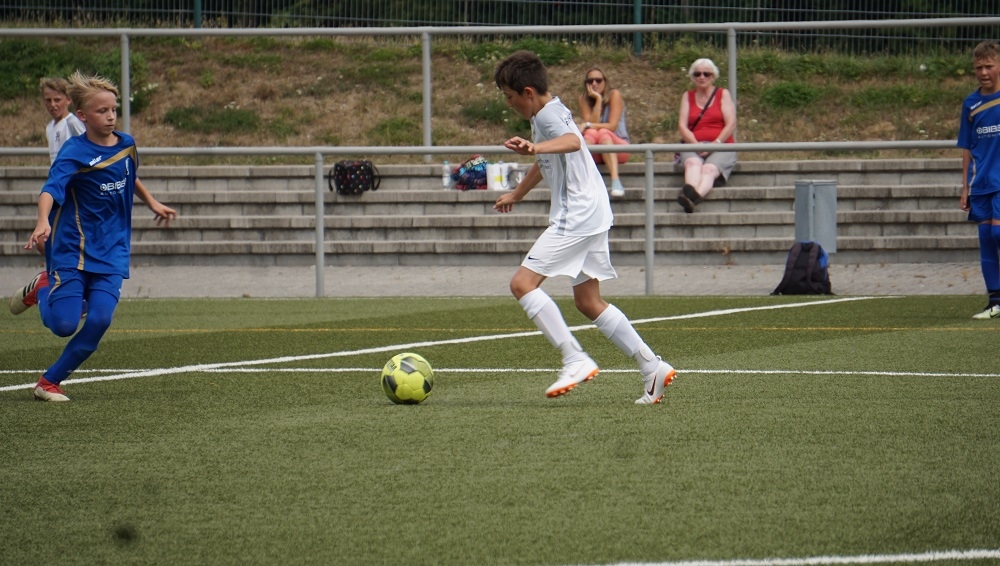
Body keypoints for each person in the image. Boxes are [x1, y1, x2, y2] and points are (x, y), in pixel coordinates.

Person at [492, 50, 676, 404]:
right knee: (588, 301)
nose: (509, 103)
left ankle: (574, 358)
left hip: (577, 211)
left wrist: (535, 146)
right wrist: (517, 193)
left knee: (522, 284)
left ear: (527, 92)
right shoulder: (548, 110)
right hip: (592, 209)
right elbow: (547, 158)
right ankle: (651, 366)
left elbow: (573, 142)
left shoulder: (548, 116)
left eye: (509, 96)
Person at [8, 70, 177, 402]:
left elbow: (129, 175)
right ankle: (42, 287)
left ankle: (49, 382)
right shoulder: (74, 151)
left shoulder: (127, 145)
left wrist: (152, 202)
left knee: (99, 319)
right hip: (73, 248)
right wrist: (42, 221)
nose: (111, 116)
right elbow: (50, 189)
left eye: (114, 109)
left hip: (113, 249)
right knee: (64, 325)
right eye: (102, 111)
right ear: (82, 115)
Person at [959, 40, 1000, 319]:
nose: (983, 72)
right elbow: (966, 146)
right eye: (978, 68)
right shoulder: (971, 104)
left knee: (998, 233)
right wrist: (965, 187)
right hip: (981, 182)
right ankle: (995, 302)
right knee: (986, 237)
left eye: (989, 66)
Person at [676, 58, 737, 213]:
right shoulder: (687, 96)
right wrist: (695, 144)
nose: (702, 77)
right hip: (693, 142)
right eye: (697, 74)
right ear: (693, 77)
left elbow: (731, 124)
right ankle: (691, 194)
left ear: (713, 76)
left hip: (721, 144)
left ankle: (692, 197)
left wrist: (715, 144)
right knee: (692, 164)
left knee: (708, 169)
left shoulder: (723, 94)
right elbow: (682, 126)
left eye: (706, 74)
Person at [577, 67, 631, 198]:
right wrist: (598, 100)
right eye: (590, 81)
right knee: (591, 133)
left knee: (603, 132)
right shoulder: (584, 98)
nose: (594, 84)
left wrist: (588, 124)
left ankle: (615, 180)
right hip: (597, 150)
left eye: (598, 80)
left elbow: (612, 126)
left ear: (605, 82)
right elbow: (592, 126)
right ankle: (584, 181)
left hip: (618, 148)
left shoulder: (614, 95)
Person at [40, 77, 86, 163]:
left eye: (57, 100)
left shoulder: (72, 123)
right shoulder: (49, 127)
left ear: (68, 100)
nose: (52, 104)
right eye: (48, 100)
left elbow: (88, 148)